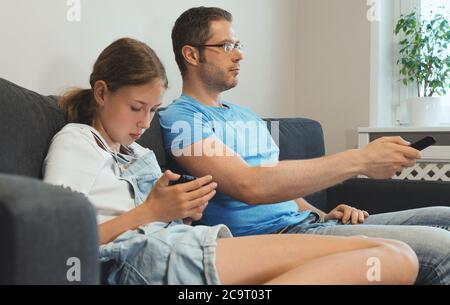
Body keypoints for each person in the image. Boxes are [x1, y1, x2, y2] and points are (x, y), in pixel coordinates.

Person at [42, 37, 418, 285]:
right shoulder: (77, 142)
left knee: (397, 257)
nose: (145, 122)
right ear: (102, 93)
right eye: (136, 108)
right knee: (392, 258)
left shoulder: (138, 153)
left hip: (182, 243)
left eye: (153, 110)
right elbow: (55, 242)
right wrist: (151, 213)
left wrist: (181, 209)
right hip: (141, 259)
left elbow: (158, 214)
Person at [159, 7, 450, 284]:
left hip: (310, 224)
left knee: (444, 216)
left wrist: (323, 213)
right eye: (225, 46)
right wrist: (359, 160)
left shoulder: (245, 115)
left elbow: (281, 187)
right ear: (191, 55)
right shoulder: (182, 119)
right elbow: (249, 186)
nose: (239, 55)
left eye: (238, 44)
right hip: (272, 238)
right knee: (443, 249)